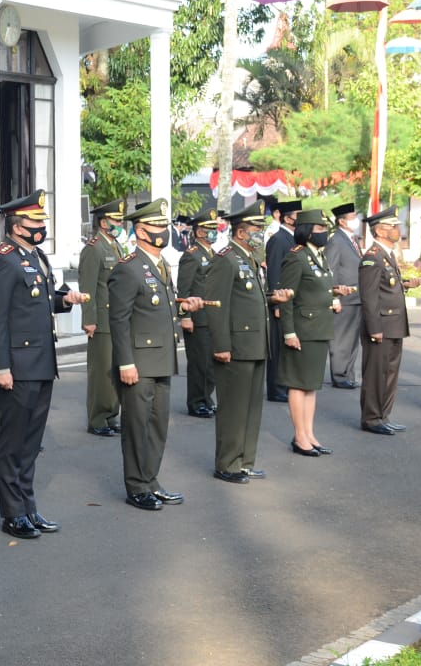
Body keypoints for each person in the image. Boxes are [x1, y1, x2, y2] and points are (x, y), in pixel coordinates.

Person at [0, 189, 83, 539]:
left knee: (30, 443)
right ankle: (13, 514)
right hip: (17, 365)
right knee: (11, 445)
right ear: (16, 225)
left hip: (41, 362)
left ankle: (28, 507)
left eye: (42, 222)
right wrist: (0, 367)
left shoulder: (36, 256)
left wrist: (64, 301)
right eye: (35, 222)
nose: (41, 228)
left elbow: (40, 301)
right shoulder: (1, 258)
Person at [110, 199, 204, 510]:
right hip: (138, 361)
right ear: (140, 231)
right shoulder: (128, 268)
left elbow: (160, 307)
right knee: (137, 426)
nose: (163, 231)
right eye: (157, 226)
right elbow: (119, 320)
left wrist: (184, 306)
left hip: (162, 357)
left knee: (157, 426)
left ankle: (151, 481)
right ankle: (137, 487)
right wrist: (125, 362)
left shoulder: (161, 265)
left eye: (165, 226)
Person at [206, 201, 291, 484]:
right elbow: (217, 306)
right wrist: (221, 346)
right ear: (241, 232)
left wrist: (273, 298)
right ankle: (227, 463)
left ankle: (244, 461)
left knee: (252, 408)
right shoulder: (226, 259)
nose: (260, 234)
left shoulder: (250, 258)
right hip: (236, 346)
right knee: (234, 408)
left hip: (255, 343)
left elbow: (249, 298)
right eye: (256, 229)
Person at [277, 209, 346, 457]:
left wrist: (334, 297)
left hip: (319, 328)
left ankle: (309, 433)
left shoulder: (318, 255)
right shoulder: (296, 257)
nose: (323, 233)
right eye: (319, 229)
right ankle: (299, 436)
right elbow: (286, 297)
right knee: (298, 384)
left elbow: (317, 288)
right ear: (307, 231)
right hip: (303, 330)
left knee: (311, 385)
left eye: (324, 229)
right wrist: (288, 333)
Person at [358, 206, 413, 436]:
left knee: (390, 374)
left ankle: (384, 415)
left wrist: (405, 285)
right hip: (380, 326)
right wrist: (374, 329)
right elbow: (369, 297)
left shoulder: (387, 255)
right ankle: (371, 418)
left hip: (394, 325)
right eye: (392, 226)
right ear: (380, 231)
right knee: (376, 375)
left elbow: (386, 288)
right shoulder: (372, 258)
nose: (397, 229)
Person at [78, 198, 126, 437]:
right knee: (101, 372)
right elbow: (87, 287)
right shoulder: (94, 248)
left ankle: (111, 414)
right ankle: (97, 418)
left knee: (115, 370)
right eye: (116, 220)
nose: (120, 224)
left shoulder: (115, 246)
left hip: (117, 318)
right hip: (102, 319)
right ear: (104, 222)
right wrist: (89, 319)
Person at [177, 202, 220, 419]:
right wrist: (185, 317)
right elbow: (183, 290)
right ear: (199, 231)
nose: (213, 233)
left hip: (213, 317)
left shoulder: (214, 254)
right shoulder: (191, 255)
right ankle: (197, 402)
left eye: (214, 228)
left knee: (211, 364)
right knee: (199, 364)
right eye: (209, 229)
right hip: (198, 318)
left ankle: (207, 398)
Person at [264, 199, 302, 403]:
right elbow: (274, 272)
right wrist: (277, 303)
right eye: (297, 216)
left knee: (287, 348)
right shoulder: (279, 239)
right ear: (287, 219)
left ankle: (285, 385)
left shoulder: (294, 238)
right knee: (278, 348)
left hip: (291, 300)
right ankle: (276, 389)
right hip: (280, 300)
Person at [324, 202, 363, 390]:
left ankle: (349, 374)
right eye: (352, 217)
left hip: (356, 298)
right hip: (344, 298)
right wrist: (334, 297)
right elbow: (330, 270)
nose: (356, 220)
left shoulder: (352, 239)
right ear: (341, 221)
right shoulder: (336, 241)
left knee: (352, 340)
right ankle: (339, 375)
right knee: (341, 339)